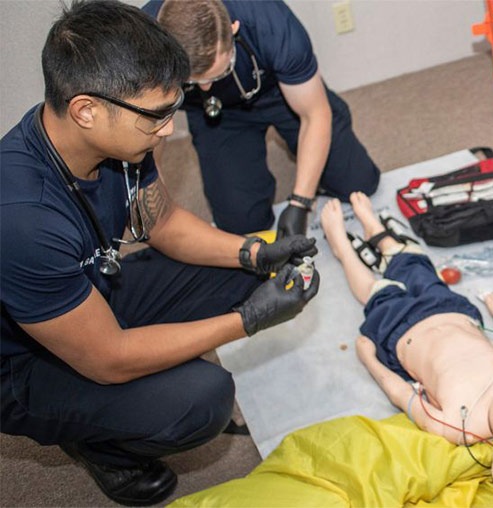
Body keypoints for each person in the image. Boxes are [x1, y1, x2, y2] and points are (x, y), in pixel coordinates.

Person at [0, 1, 320, 505]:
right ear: (86, 109)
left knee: (245, 273)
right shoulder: (20, 217)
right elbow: (109, 359)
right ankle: (99, 443)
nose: (169, 129)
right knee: (203, 400)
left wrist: (255, 253)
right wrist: (247, 321)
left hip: (91, 293)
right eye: (156, 116)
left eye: (172, 110)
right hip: (23, 362)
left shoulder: (124, 143)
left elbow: (163, 222)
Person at [319, 193, 493, 507]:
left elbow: (401, 395)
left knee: (375, 292)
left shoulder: (456, 427)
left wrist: (368, 359)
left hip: (399, 332)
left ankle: (343, 247)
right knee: (413, 262)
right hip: (451, 310)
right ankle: (376, 232)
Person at [142, 0, 380, 237]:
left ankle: (285, 132)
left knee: (358, 184)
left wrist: (300, 203)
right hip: (216, 114)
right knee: (242, 224)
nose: (205, 86)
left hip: (279, 93)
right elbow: (149, 140)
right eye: (193, 81)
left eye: (219, 73)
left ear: (234, 29)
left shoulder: (274, 26)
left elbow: (315, 114)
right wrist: (159, 213)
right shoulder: (142, 43)